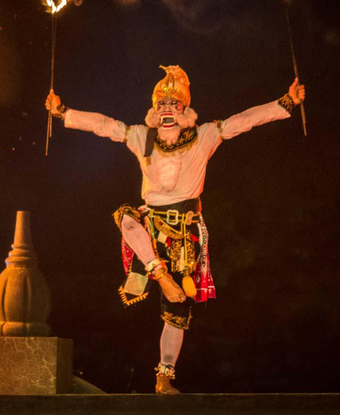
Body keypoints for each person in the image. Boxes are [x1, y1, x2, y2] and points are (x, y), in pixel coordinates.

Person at [45, 65, 305, 394]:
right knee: (126, 216)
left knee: (177, 311)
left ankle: (164, 376)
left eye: (175, 105)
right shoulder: (142, 137)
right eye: (162, 106)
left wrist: (286, 103)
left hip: (185, 231)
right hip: (149, 227)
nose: (168, 111)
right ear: (154, 112)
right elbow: (103, 125)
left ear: (186, 111)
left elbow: (243, 121)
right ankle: (160, 275)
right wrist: (63, 112)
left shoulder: (206, 135)